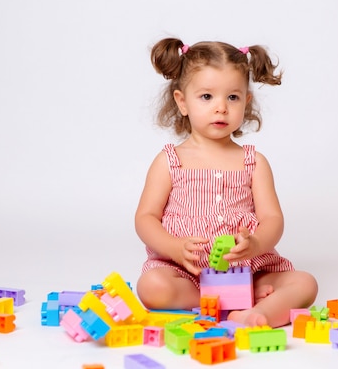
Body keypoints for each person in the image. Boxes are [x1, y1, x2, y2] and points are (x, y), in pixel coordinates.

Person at [135, 37, 318, 328]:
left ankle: (258, 314)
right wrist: (173, 247)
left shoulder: (254, 162)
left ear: (246, 102)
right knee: (152, 286)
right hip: (187, 272)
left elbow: (272, 218)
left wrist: (256, 243)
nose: (221, 108)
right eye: (207, 97)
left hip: (247, 269)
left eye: (232, 97)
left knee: (305, 283)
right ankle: (231, 297)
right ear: (182, 102)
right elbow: (145, 218)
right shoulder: (169, 161)